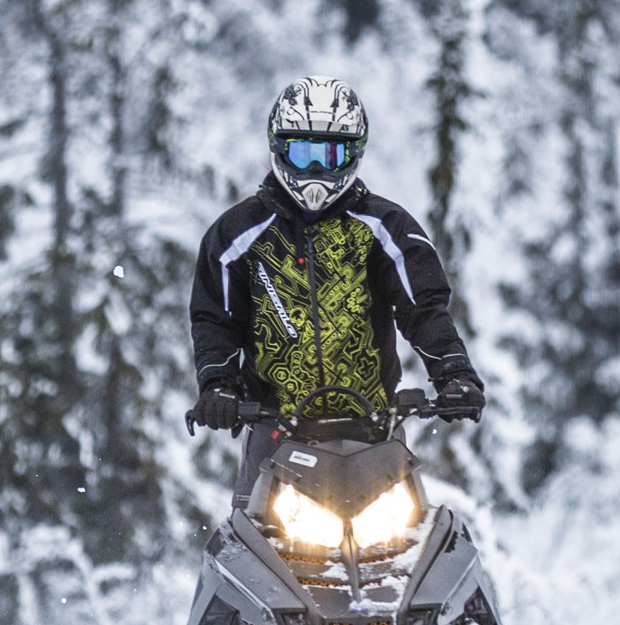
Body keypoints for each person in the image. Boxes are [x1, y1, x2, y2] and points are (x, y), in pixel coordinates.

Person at [187, 76, 485, 486]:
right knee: (246, 541)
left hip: (373, 429)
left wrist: (453, 373)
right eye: (302, 152)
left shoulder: (385, 228)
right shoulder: (237, 234)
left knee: (420, 541)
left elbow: (423, 307)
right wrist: (219, 385)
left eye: (330, 155)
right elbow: (215, 318)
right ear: (278, 148)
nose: (314, 169)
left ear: (354, 155)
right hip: (275, 432)